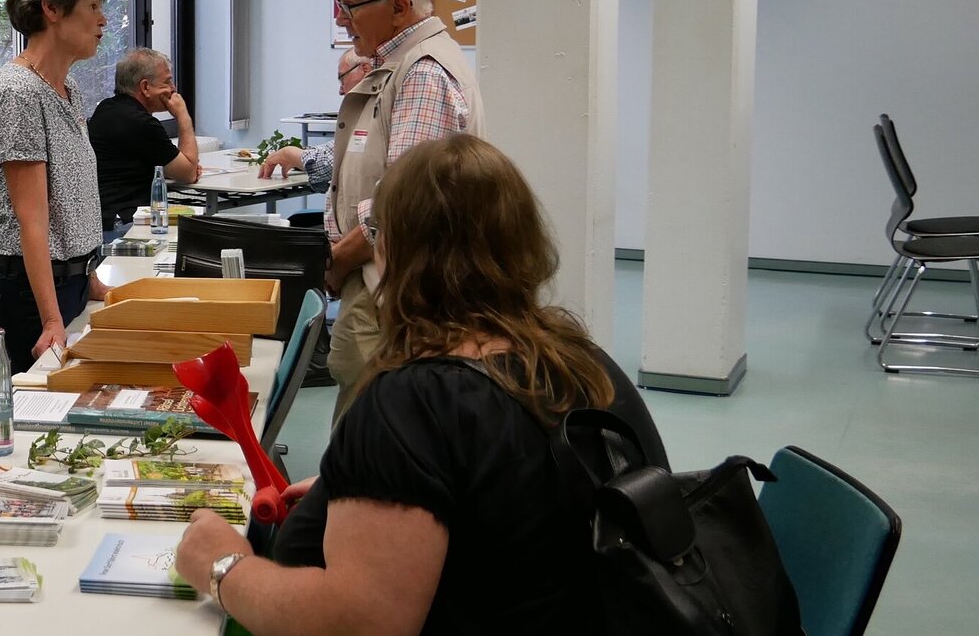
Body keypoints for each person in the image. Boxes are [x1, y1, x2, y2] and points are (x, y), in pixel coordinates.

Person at [174, 134, 670, 636]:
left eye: (375, 230)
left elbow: (360, 624)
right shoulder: (584, 365)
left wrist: (224, 567)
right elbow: (518, 504)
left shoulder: (411, 404)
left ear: (396, 248)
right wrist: (376, 488)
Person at [289, 0, 484, 422]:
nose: (340, 18)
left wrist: (334, 260)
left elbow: (399, 205)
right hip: (381, 282)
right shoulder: (400, 66)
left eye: (349, 6)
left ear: (398, 6)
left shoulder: (421, 73)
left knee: (372, 433)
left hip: (393, 291)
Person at [0, 0, 109, 370]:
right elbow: (32, 217)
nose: (103, 20)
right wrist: (51, 318)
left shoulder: (67, 89)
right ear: (51, 8)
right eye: (93, 6)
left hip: (68, 281)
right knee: (37, 412)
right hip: (33, 293)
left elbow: (74, 194)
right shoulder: (18, 94)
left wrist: (89, 277)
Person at [89, 48, 202, 245]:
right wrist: (183, 116)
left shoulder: (106, 109)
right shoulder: (141, 123)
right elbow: (189, 173)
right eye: (166, 82)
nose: (173, 89)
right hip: (126, 227)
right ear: (145, 87)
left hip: (103, 222)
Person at [257, 48, 372, 196]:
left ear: (365, 69)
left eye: (342, 78)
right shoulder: (367, 107)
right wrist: (298, 156)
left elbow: (331, 163)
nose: (341, 91)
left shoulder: (376, 106)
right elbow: (337, 148)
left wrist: (289, 154)